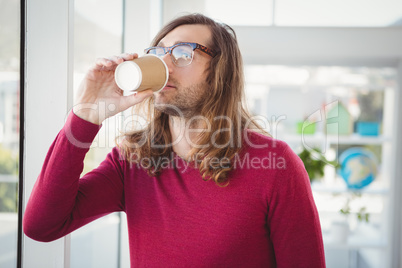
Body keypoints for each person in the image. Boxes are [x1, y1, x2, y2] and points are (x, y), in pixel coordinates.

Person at [23, 13, 326, 267]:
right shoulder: (131, 160)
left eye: (182, 53)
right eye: (158, 52)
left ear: (219, 71)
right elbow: (42, 225)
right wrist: (86, 114)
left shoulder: (274, 165)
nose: (165, 63)